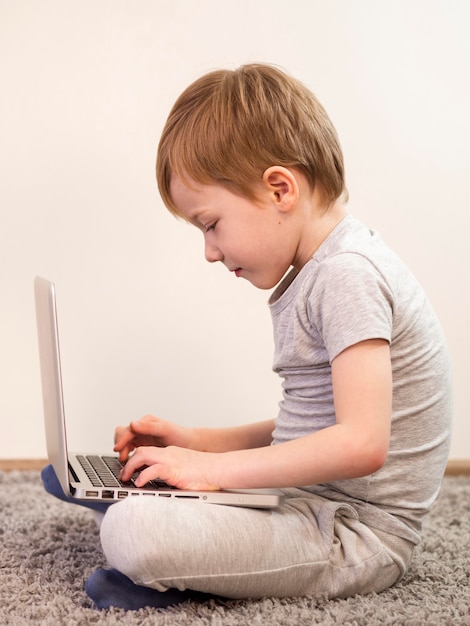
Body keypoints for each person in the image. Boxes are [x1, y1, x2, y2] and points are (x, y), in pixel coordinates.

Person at [42, 63, 452, 610]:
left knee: (135, 532)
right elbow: (309, 426)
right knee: (113, 488)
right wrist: (196, 442)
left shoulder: (349, 274)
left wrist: (211, 472)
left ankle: (164, 544)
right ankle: (155, 515)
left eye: (211, 224)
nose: (209, 251)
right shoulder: (321, 271)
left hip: (353, 535)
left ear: (280, 188)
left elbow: (361, 443)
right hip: (306, 502)